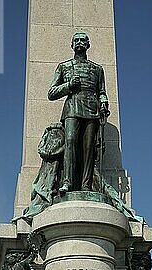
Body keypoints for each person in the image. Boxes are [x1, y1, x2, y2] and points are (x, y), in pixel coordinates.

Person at [48, 32, 109, 193]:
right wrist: (68, 85)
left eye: (83, 40)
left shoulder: (97, 69)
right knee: (70, 142)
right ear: (72, 45)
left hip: (92, 109)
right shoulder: (64, 66)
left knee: (88, 148)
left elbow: (101, 91)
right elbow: (52, 92)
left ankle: (86, 185)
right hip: (72, 107)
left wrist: (103, 102)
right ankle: (67, 182)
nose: (80, 42)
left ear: (88, 44)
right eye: (76, 40)